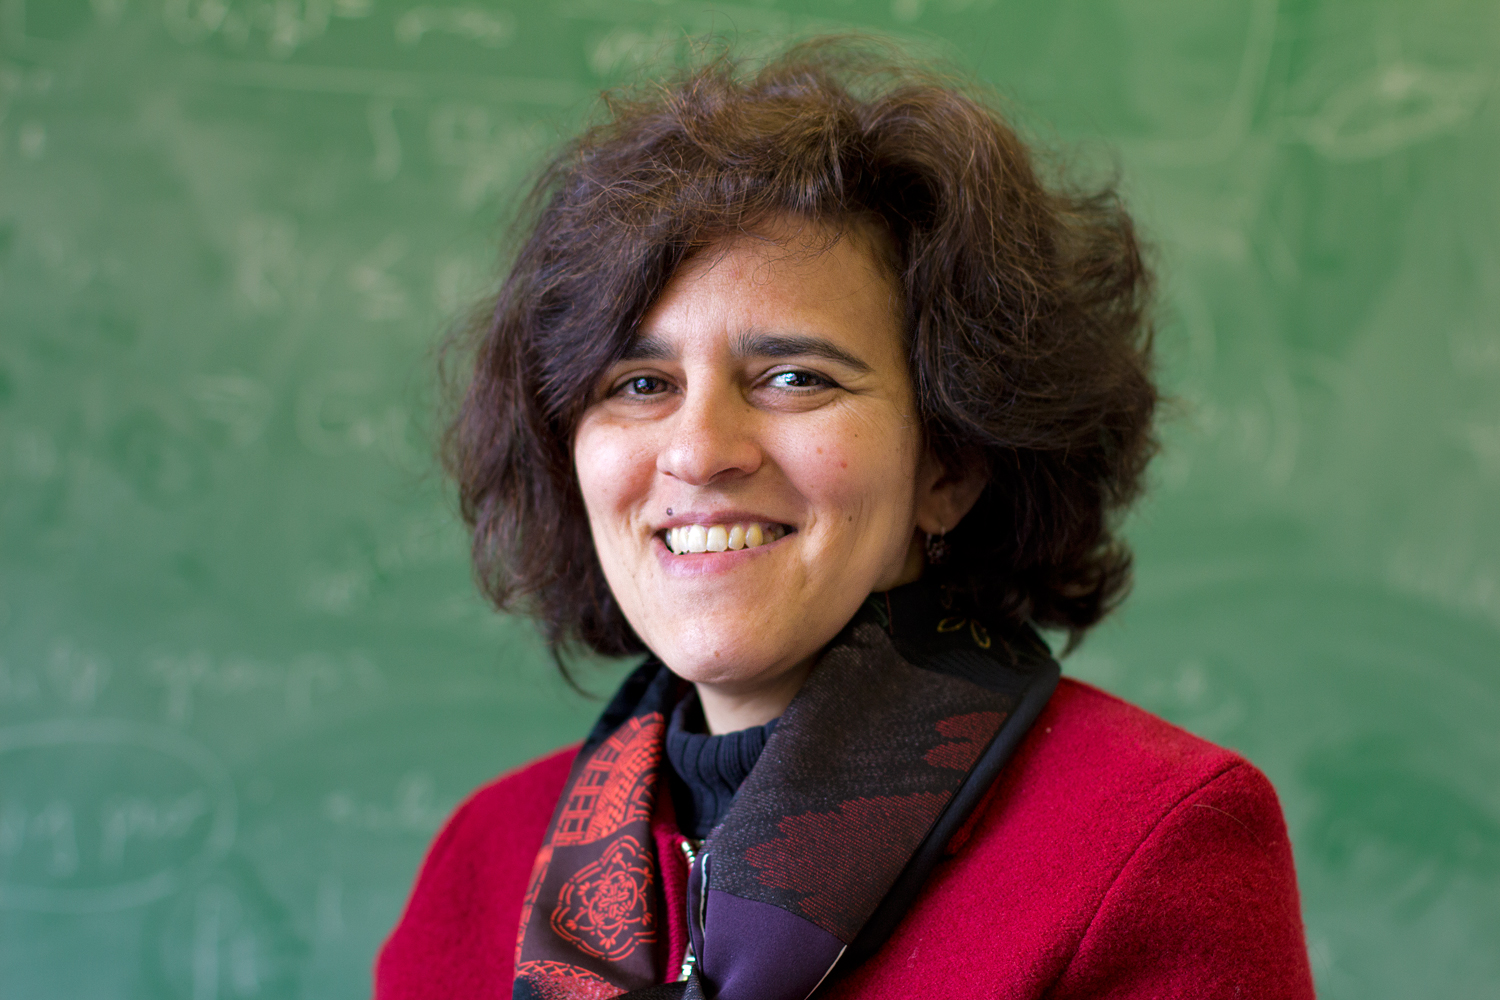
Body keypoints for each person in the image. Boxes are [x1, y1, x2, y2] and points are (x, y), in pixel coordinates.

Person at [376, 38, 1315, 1000]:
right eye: (641, 383)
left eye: (794, 378)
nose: (699, 450)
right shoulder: (484, 866)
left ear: (948, 462)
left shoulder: (1150, 840)